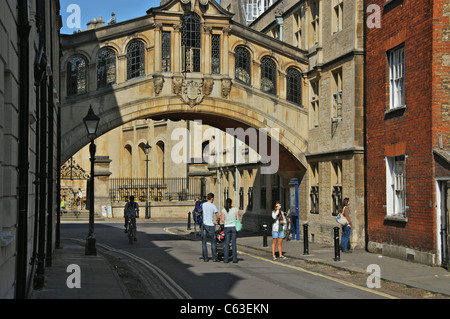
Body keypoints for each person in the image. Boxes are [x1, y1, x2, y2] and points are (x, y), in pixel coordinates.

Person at [201, 193, 220, 262]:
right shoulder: (213, 206)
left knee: (204, 242)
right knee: (213, 242)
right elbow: (218, 216)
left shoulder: (203, 205)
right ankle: (214, 258)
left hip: (204, 225)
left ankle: (205, 258)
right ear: (212, 198)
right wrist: (217, 221)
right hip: (211, 225)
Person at [221, 198, 240, 263]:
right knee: (234, 243)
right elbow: (238, 218)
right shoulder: (235, 209)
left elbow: (222, 220)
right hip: (233, 227)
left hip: (227, 227)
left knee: (226, 243)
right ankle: (234, 259)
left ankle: (226, 259)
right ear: (231, 203)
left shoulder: (224, 210)